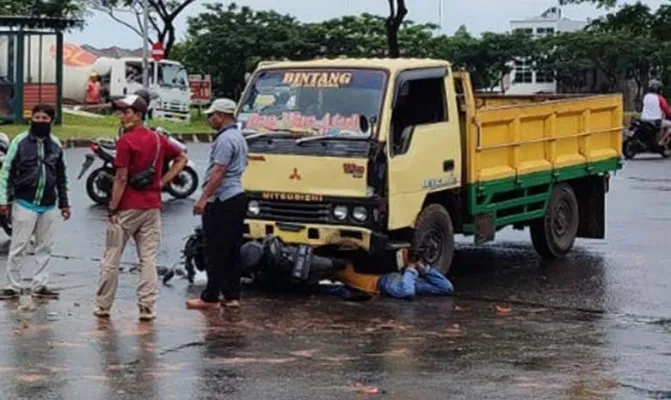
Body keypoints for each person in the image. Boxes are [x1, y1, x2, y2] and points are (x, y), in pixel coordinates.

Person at [94, 94, 188, 321]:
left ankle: (103, 305)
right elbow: (182, 158)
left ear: (138, 115)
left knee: (111, 258)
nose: (122, 116)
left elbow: (121, 178)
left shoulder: (126, 141)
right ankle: (147, 307)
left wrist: (113, 207)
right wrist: (163, 182)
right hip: (152, 206)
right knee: (148, 259)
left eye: (126, 112)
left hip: (127, 207)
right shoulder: (157, 139)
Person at [0, 104, 70, 300]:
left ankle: (40, 285)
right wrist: (3, 200)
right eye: (36, 117)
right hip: (24, 201)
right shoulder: (20, 142)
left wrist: (65, 203)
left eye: (44, 118)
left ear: (51, 121)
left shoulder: (56, 145)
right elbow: (6, 172)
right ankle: (12, 285)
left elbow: (62, 175)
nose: (40, 121)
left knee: (45, 246)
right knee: (19, 245)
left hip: (48, 204)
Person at [186, 98, 248, 310]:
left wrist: (203, 198)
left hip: (222, 199)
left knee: (214, 250)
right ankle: (232, 296)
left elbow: (219, 172)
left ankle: (210, 297)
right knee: (232, 250)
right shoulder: (239, 137)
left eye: (212, 115)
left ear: (221, 116)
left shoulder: (224, 140)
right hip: (237, 196)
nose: (210, 119)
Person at [333, 249, 454, 300]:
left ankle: (411, 263)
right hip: (385, 282)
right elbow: (407, 292)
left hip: (388, 279)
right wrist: (413, 268)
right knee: (407, 288)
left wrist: (422, 268)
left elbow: (447, 288)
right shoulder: (343, 274)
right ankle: (411, 264)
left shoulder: (345, 272)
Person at [640, 79, 671, 146]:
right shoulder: (660, 98)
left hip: (643, 119)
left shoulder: (646, 96)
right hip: (655, 121)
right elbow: (666, 110)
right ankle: (661, 141)